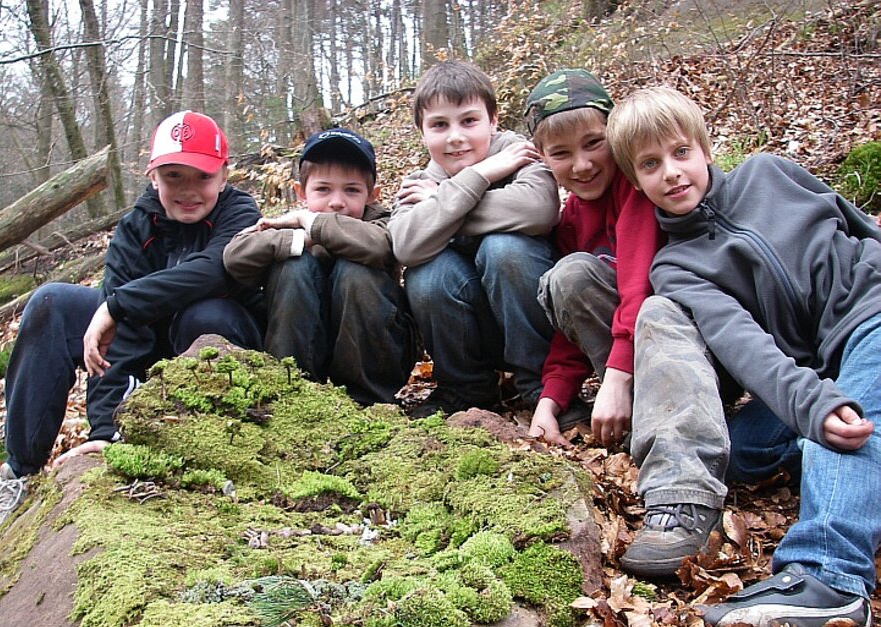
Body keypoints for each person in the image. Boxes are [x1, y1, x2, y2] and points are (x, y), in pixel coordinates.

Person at [606, 86, 880, 627]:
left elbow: (855, 223)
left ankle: (828, 576)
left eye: (681, 153)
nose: (673, 173)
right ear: (636, 183)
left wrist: (818, 407)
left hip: (872, 314)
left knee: (841, 425)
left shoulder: (770, 173)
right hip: (815, 362)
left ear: (706, 150)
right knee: (738, 450)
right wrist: (809, 399)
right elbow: (744, 345)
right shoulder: (678, 267)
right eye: (651, 165)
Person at [0, 110, 264, 539]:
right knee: (52, 302)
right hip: (148, 347)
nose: (188, 191)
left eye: (202, 177)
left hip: (219, 343)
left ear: (224, 176)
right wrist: (107, 430)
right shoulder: (135, 228)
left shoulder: (240, 213)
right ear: (154, 178)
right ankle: (19, 471)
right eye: (173, 176)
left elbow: (216, 269)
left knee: (205, 315)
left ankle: (206, 448)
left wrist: (117, 305)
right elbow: (115, 337)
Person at [389, 60, 559, 417]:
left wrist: (441, 204)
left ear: (493, 119)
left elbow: (539, 210)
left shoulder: (518, 153)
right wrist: (481, 174)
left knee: (505, 248)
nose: (456, 137)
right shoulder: (418, 181)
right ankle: (466, 387)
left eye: (469, 121)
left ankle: (542, 385)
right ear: (422, 132)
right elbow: (405, 245)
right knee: (426, 273)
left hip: (533, 316)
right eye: (439, 125)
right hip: (473, 326)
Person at [223, 128, 416, 405]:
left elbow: (380, 246)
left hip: (375, 355)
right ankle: (290, 392)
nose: (337, 202)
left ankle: (367, 401)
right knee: (293, 267)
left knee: (357, 271)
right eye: (323, 189)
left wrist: (315, 225)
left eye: (352, 190)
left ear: (372, 194)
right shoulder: (289, 224)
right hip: (305, 341)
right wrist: (302, 237)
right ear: (301, 192)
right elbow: (235, 257)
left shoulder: (383, 221)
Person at [522, 69, 663, 448]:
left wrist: (616, 378)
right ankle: (636, 410)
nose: (582, 165)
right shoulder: (570, 219)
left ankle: (643, 407)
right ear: (543, 159)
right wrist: (551, 398)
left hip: (674, 340)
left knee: (571, 274)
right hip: (630, 352)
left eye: (593, 143)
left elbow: (639, 287)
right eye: (562, 153)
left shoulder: (637, 186)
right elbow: (571, 322)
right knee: (564, 278)